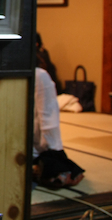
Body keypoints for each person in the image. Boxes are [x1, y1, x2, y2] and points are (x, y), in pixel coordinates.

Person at [32, 60, 84, 189]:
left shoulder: (37, 75)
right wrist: (55, 151)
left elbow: (47, 118)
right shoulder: (39, 75)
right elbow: (48, 119)